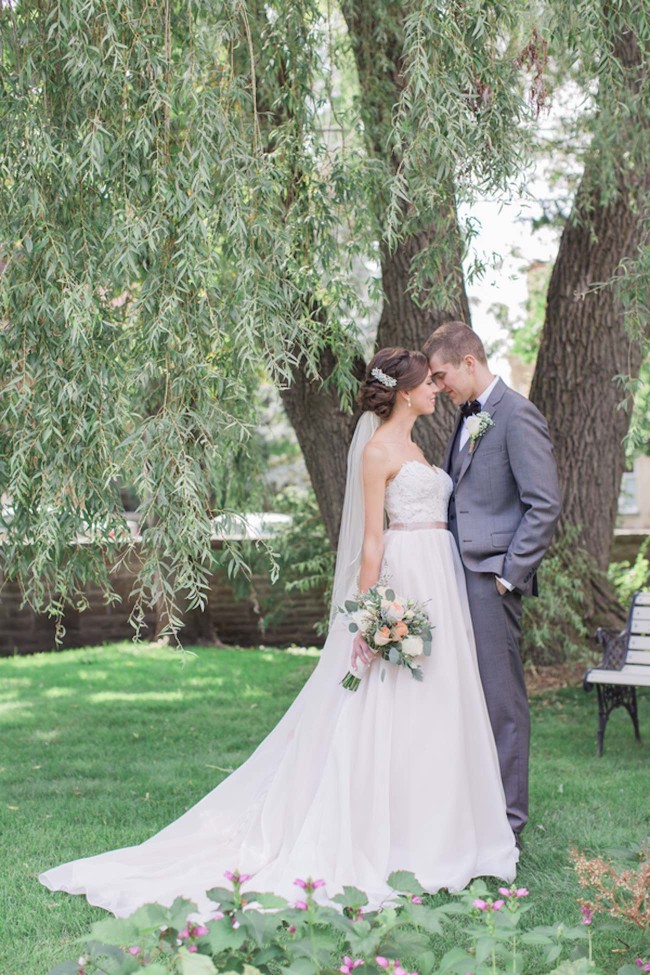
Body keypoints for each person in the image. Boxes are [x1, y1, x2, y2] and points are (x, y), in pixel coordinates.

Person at [39, 347, 517, 919]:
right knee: (393, 706)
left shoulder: (419, 446)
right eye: (428, 383)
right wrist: (369, 615)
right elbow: (370, 541)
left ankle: (443, 829)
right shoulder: (377, 452)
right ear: (405, 391)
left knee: (440, 700)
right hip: (406, 579)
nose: (437, 389)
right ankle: (394, 837)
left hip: (440, 578)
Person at [423, 322, 562, 846]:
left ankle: (509, 827)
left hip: (489, 582)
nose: (438, 387)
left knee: (502, 702)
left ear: (469, 363)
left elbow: (543, 505)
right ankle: (473, 813)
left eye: (441, 376)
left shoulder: (518, 416)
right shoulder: (467, 418)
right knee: (465, 698)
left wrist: (508, 575)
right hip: (455, 578)